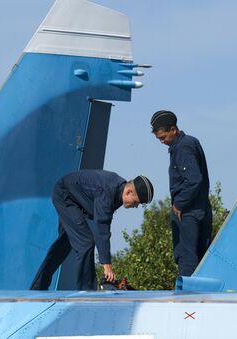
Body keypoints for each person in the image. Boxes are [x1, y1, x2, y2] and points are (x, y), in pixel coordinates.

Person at [30, 170, 154, 290]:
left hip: (75, 200)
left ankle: (37, 288)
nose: (136, 206)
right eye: (136, 202)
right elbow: (102, 228)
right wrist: (107, 266)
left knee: (63, 245)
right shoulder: (109, 190)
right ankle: (87, 291)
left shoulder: (118, 190)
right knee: (86, 242)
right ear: (129, 192)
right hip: (66, 195)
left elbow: (104, 225)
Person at [151, 110, 212, 277]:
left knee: (186, 256)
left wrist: (179, 204)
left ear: (173, 130)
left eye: (163, 137)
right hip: (200, 208)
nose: (162, 142)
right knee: (201, 255)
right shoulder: (189, 143)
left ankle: (188, 298)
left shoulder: (183, 147)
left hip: (189, 212)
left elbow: (194, 180)